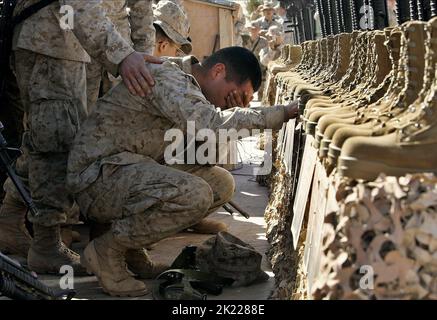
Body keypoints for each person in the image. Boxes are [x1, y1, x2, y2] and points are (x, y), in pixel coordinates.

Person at [67, 47, 298, 296]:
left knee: (220, 184)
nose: (233, 103)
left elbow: (203, 154)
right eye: (237, 95)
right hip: (96, 178)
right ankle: (106, 251)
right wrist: (281, 113)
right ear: (218, 71)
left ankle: (130, 247)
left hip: (123, 170)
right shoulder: (169, 78)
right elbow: (212, 124)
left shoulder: (193, 91)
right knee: (194, 194)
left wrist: (228, 114)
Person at [0, 0, 161, 275]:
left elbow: (140, 7)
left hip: (72, 42)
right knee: (56, 141)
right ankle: (46, 243)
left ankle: (15, 219)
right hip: (51, 38)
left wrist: (135, 54)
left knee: (62, 138)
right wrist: (122, 54)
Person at [86, 0, 156, 111]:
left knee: (116, 119)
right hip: (79, 50)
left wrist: (142, 67)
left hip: (122, 59)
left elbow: (142, 10)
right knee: (74, 119)